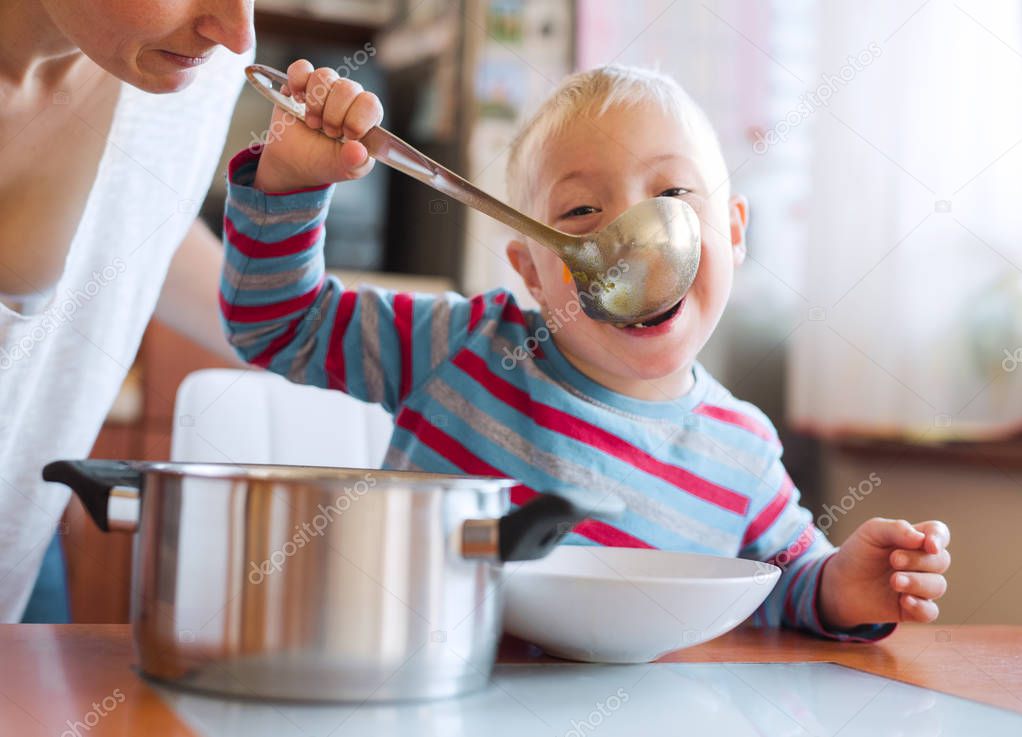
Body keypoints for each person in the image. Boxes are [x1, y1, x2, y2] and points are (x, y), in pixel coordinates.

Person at [219, 61, 952, 637]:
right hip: (416, 692)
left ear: (731, 230)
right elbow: (278, 324)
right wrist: (287, 184)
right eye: (580, 213)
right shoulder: (461, 345)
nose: (630, 247)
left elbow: (783, 586)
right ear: (531, 270)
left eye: (669, 196)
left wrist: (842, 588)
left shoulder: (744, 453)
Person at [0, 0, 254, 621]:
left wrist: (340, 341)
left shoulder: (189, 66)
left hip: (19, 531)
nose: (238, 33)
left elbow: (134, 221)